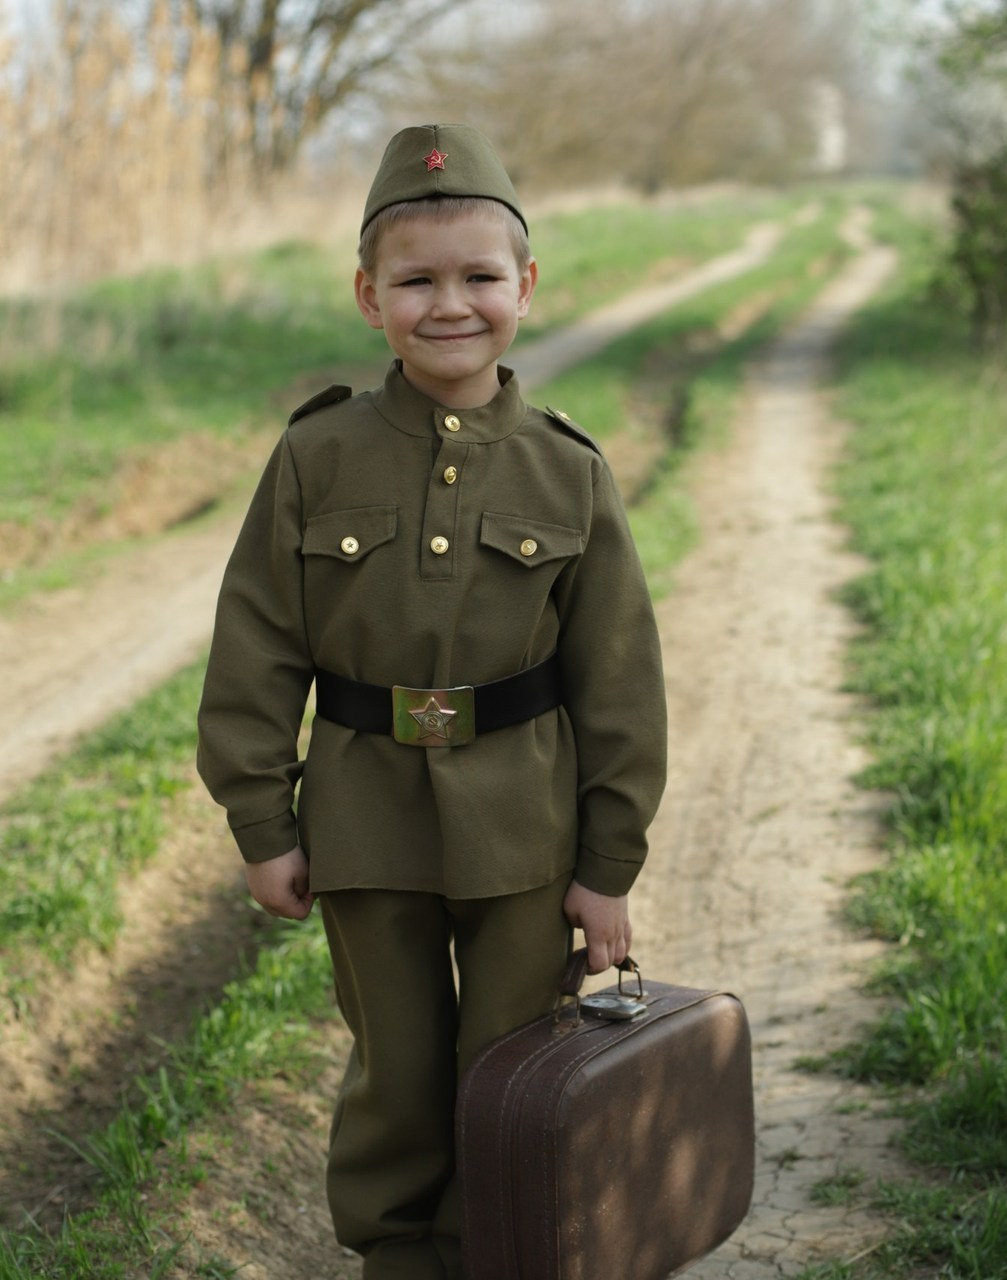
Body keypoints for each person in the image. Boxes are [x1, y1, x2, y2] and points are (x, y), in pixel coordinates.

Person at [196, 122, 667, 1280]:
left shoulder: (569, 470)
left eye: (477, 277)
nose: (448, 304)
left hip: (523, 828)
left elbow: (619, 683)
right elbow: (255, 647)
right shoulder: (316, 457)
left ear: (526, 287)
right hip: (364, 822)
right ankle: (399, 1256)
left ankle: (498, 1250)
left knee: (506, 1067)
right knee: (396, 1072)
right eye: (415, 280)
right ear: (368, 293)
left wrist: (606, 864)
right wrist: (264, 823)